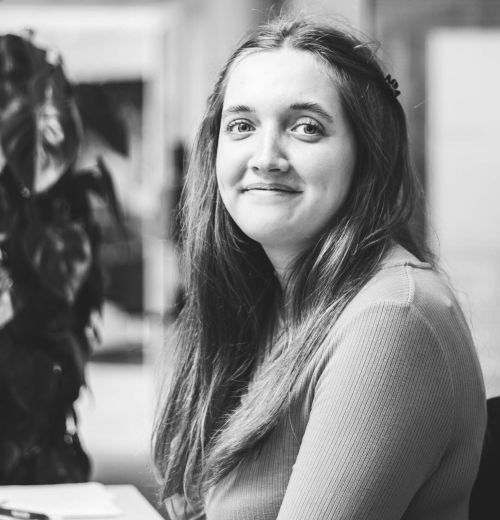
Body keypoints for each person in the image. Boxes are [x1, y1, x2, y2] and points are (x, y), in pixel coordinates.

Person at [153, 15, 486, 520]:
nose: (265, 157)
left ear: (366, 155)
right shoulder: (269, 302)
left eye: (306, 127)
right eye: (242, 126)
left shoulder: (393, 319)